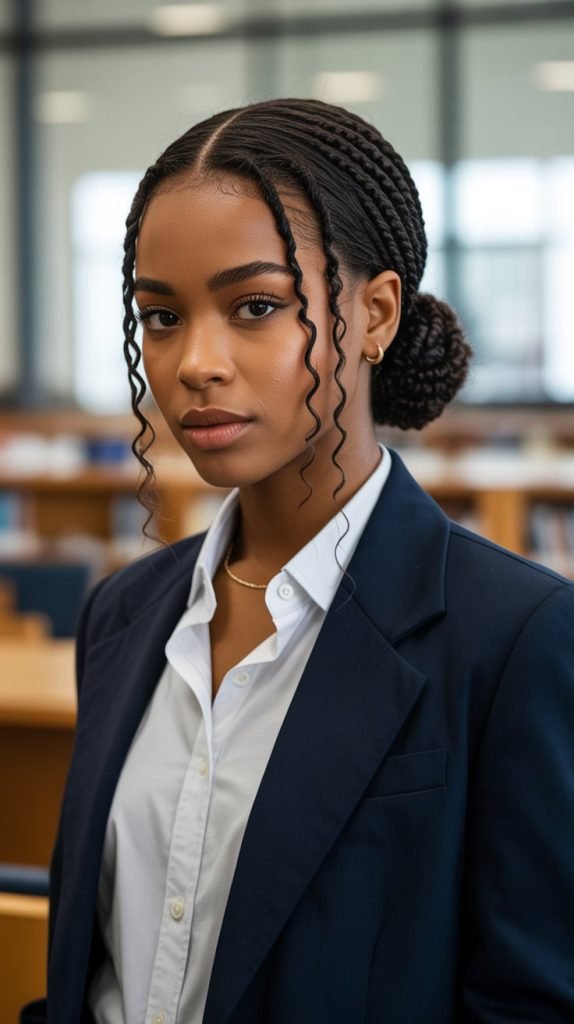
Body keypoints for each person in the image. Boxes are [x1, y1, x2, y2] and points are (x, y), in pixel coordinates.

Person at [22, 98, 574, 1024]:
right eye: (160, 317)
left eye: (256, 307)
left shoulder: (514, 639)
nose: (195, 361)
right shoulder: (123, 614)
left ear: (374, 313)